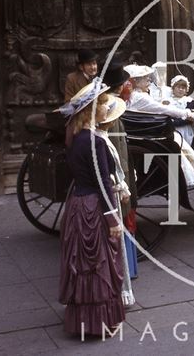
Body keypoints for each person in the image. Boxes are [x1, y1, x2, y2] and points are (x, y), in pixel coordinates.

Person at [57, 82, 126, 336]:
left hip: (77, 204)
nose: (107, 107)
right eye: (104, 104)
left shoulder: (75, 137)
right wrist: (112, 220)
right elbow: (103, 183)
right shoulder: (94, 141)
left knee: (83, 265)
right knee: (96, 265)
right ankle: (99, 324)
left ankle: (82, 322)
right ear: (92, 110)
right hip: (93, 207)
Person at [126, 64, 194, 186]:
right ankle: (190, 177)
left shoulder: (134, 95)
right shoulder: (139, 97)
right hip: (151, 132)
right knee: (183, 148)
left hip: (144, 130)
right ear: (136, 81)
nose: (149, 80)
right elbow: (162, 109)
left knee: (185, 147)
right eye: (145, 78)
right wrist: (187, 113)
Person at [102, 63, 138, 280]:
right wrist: (123, 178)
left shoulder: (111, 103)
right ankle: (125, 268)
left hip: (119, 166)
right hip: (119, 170)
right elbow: (117, 148)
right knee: (123, 217)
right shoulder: (113, 107)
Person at [164, 75, 194, 145]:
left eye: (183, 88)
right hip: (171, 129)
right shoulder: (168, 101)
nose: (181, 89)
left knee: (184, 146)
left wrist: (175, 122)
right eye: (178, 87)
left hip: (184, 128)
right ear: (173, 88)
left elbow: (189, 118)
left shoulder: (189, 101)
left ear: (186, 90)